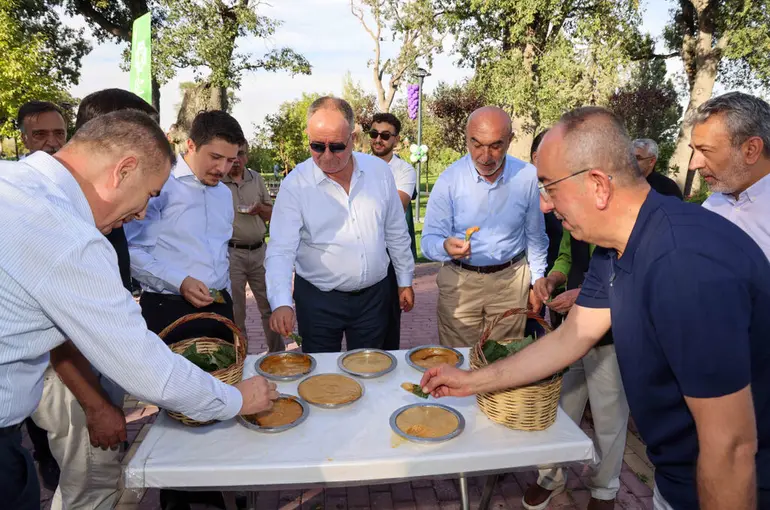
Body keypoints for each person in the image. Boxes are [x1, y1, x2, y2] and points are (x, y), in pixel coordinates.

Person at [421, 106, 770, 510]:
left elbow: (730, 447)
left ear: (598, 185)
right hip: (677, 479)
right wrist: (470, 381)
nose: (546, 207)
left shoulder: (683, 262)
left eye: (550, 188)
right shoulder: (617, 245)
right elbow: (573, 336)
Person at [0, 110, 277, 510]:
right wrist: (236, 401)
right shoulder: (68, 238)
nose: (143, 214)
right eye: (149, 195)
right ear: (123, 170)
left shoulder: (14, 184)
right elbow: (146, 367)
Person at [29, 89, 160, 510]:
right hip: (73, 380)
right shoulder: (58, 224)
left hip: (94, 370)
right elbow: (54, 331)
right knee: (91, 484)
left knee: (102, 476)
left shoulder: (87, 210)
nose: (141, 213)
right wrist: (94, 403)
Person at [266, 97, 415, 353]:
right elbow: (280, 249)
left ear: (353, 139)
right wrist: (280, 302)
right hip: (317, 301)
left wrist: (404, 279)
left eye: (336, 146)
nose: (326, 156)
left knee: (371, 373)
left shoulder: (379, 173)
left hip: (374, 299)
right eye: (316, 146)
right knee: (322, 380)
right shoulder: (296, 185)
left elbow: (395, 231)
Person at [421, 107, 548, 346]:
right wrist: (445, 246)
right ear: (466, 138)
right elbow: (428, 241)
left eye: (495, 145)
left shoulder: (527, 176)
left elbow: (535, 235)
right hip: (460, 283)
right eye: (476, 144)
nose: (485, 156)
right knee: (460, 361)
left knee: (503, 362)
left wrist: (537, 279)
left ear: (510, 140)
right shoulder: (449, 180)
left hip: (510, 283)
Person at [126, 110, 246, 345]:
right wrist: (179, 281)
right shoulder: (160, 185)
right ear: (191, 145)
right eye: (215, 157)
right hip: (169, 309)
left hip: (220, 306)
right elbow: (129, 251)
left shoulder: (224, 193)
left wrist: (228, 301)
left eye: (231, 160)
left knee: (226, 379)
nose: (223, 168)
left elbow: (221, 252)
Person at [14, 100, 65, 492]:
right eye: (40, 135)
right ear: (24, 138)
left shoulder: (73, 187)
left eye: (59, 134)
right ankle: (43, 455)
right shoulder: (17, 194)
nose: (51, 143)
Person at [690, 92, 770, 261]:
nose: (694, 164)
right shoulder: (713, 204)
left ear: (751, 150)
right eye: (694, 150)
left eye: (705, 150)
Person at [223, 141, 284, 352]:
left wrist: (260, 209)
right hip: (232, 253)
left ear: (247, 156)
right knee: (237, 312)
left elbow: (271, 214)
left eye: (241, 154)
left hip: (259, 252)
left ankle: (278, 355)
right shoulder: (219, 182)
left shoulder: (256, 178)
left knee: (269, 306)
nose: (236, 160)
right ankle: (243, 359)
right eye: (233, 155)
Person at [368, 112, 417, 351]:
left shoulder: (404, 171)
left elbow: (397, 207)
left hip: (389, 258)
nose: (378, 139)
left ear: (396, 140)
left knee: (387, 327)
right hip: (362, 256)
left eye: (385, 135)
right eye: (374, 134)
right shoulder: (357, 165)